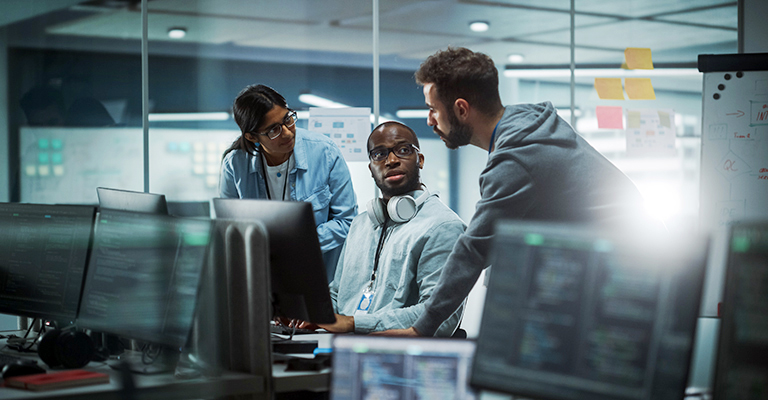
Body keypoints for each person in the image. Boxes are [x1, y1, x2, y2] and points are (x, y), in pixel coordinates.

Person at [380, 47, 648, 337]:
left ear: (461, 109)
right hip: (620, 272)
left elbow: (474, 249)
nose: (430, 120)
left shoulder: (516, 157)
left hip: (624, 286)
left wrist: (421, 328)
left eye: (433, 109)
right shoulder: (528, 124)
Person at [296, 121, 466, 336]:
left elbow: (441, 318)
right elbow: (338, 294)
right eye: (379, 154)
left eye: (403, 151)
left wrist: (352, 323)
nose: (392, 160)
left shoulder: (443, 227)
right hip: (342, 344)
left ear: (420, 160)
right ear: (370, 168)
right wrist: (313, 314)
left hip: (394, 354)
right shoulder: (360, 224)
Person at [219, 84, 358, 280]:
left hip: (321, 278)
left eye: (288, 119)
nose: (287, 132)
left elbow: (347, 221)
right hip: (263, 279)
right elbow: (229, 231)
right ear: (252, 137)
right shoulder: (235, 165)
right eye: (273, 130)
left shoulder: (324, 152)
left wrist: (295, 243)